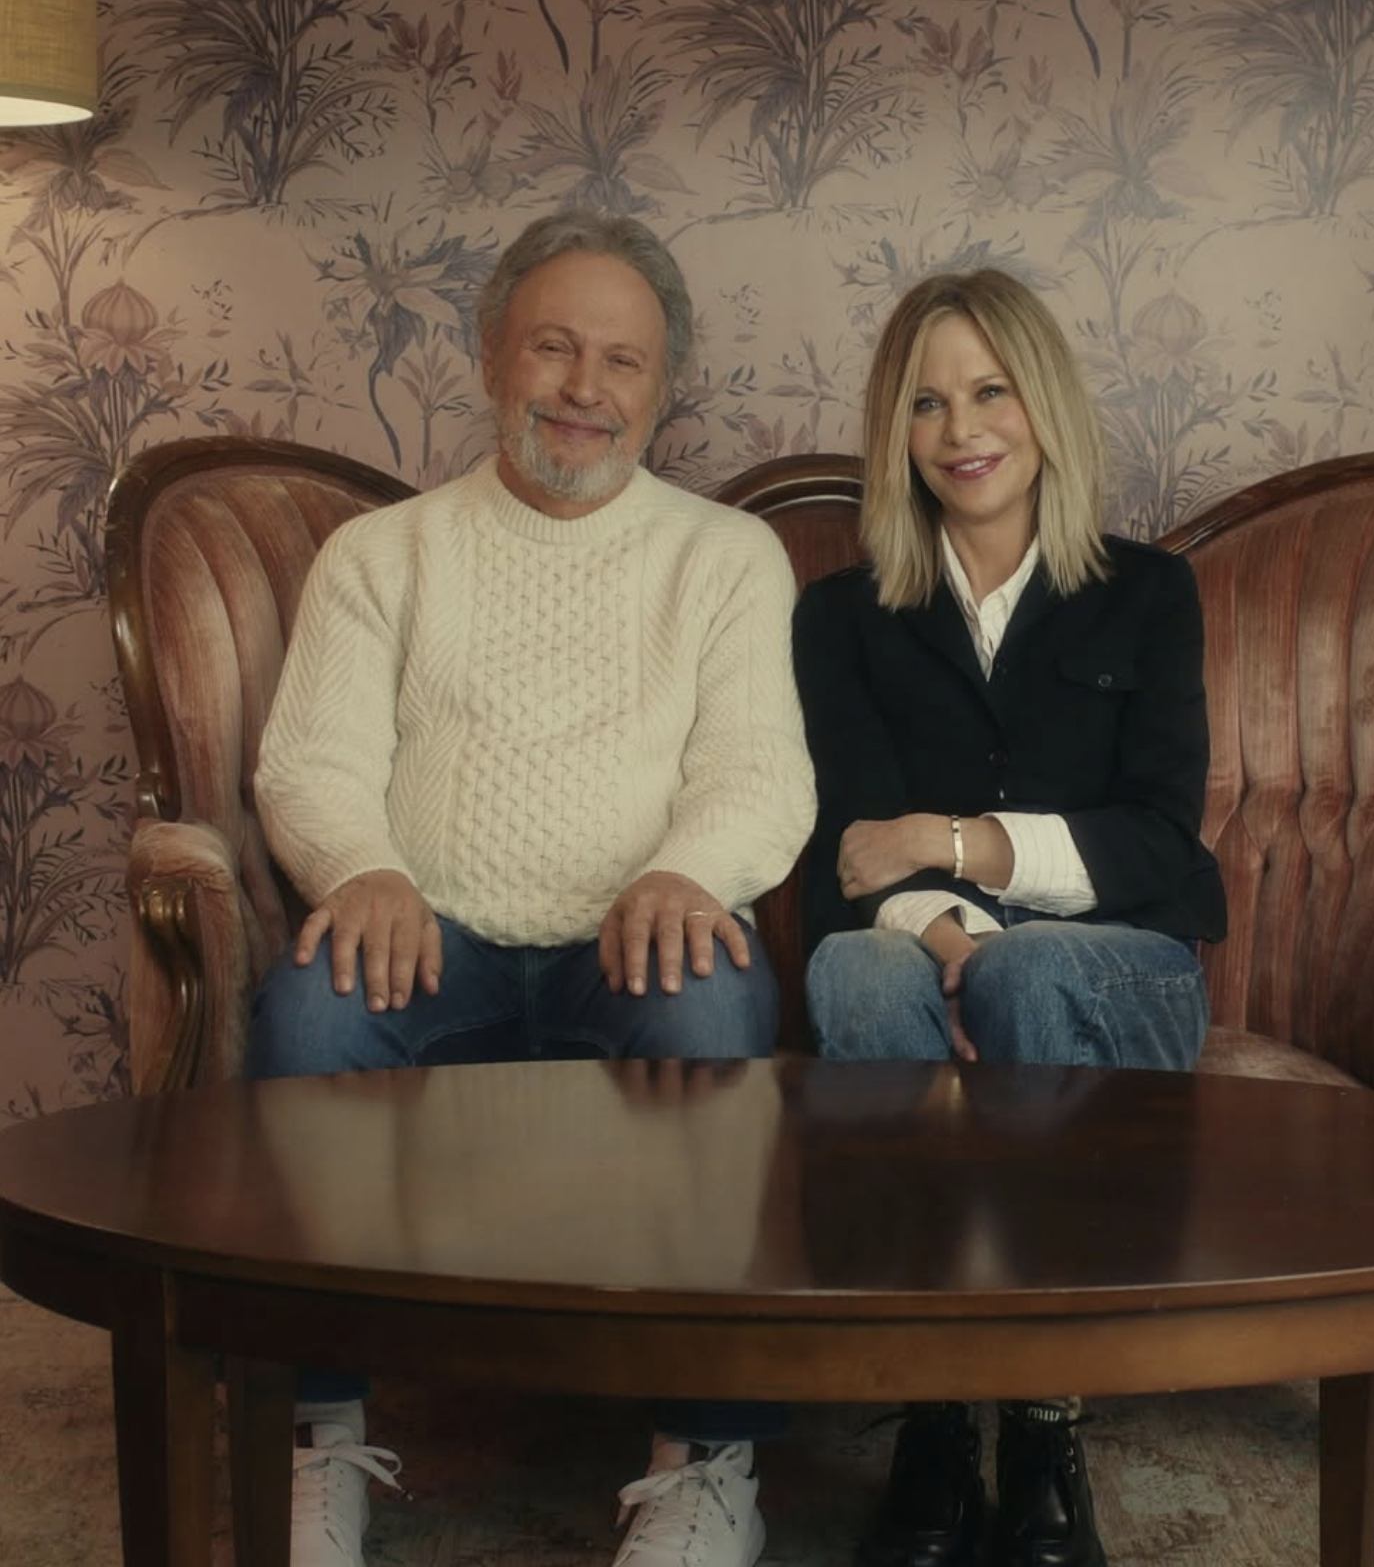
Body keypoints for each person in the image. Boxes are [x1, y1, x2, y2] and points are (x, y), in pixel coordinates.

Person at [247, 208, 817, 1567]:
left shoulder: (725, 557)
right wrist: (366, 870)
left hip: (629, 949)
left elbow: (760, 772)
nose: (582, 388)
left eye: (621, 361)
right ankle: (313, 1439)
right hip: (425, 940)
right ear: (492, 356)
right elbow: (309, 762)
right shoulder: (383, 553)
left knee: (713, 1009)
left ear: (662, 390)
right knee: (310, 1012)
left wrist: (687, 871)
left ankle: (706, 1464)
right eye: (553, 347)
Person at [791, 269, 1226, 1567]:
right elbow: (849, 851)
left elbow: (1157, 845)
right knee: (855, 978)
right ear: (896, 432)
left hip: (1125, 970)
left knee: (1030, 977)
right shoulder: (840, 617)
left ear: (1043, 404)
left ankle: (1042, 1414)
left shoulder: (1148, 594)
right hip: (923, 952)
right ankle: (933, 1411)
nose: (960, 429)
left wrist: (954, 844)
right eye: (926, 404)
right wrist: (951, 939)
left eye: (989, 391)